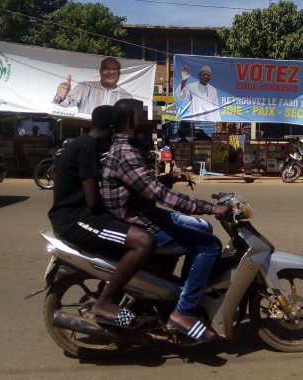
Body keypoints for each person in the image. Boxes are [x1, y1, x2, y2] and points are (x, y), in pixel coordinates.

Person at [101, 98, 230, 343]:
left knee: (203, 229)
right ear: (130, 121)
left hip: (145, 215)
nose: (149, 121)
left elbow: (143, 187)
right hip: (140, 223)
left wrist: (171, 177)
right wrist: (210, 207)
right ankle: (182, 312)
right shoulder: (126, 153)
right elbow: (158, 195)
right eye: (143, 116)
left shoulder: (129, 148)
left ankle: (182, 290)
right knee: (210, 245)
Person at [48, 105, 153, 327]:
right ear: (113, 128)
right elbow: (92, 199)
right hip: (74, 219)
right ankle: (103, 303)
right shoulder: (87, 147)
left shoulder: (79, 142)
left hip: (77, 214)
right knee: (143, 242)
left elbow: (52, 171)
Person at [53, 57, 134, 114]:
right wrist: (60, 96)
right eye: (106, 69)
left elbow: (131, 125)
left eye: (114, 70)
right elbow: (66, 103)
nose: (110, 72)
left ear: (119, 74)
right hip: (87, 134)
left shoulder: (127, 97)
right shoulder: (85, 86)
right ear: (100, 71)